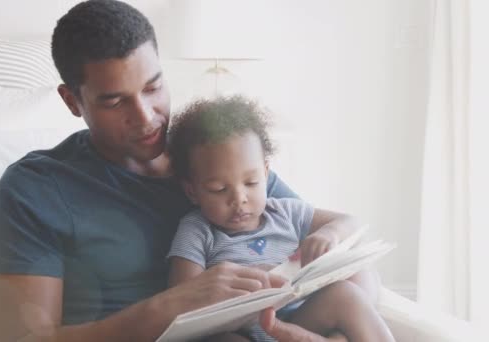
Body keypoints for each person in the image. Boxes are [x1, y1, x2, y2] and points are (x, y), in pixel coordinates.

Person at [0, 0, 382, 341]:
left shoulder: (214, 157)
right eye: (115, 102)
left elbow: (343, 258)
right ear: (72, 101)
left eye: (153, 87)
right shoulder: (35, 189)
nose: (146, 117)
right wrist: (170, 305)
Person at [166, 96, 395, 342]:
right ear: (192, 191)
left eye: (251, 183)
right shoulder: (196, 230)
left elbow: (352, 224)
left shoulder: (286, 213)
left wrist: (329, 234)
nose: (239, 198)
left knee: (345, 294)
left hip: (301, 323)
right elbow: (182, 298)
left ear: (265, 173)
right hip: (242, 333)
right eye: (219, 189)